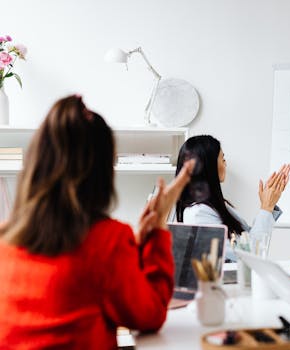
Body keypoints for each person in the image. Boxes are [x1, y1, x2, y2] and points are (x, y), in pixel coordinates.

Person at [0, 95, 194, 348]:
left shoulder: (6, 238)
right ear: (101, 172)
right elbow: (150, 315)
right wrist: (157, 231)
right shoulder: (107, 240)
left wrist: (132, 246)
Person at [175, 135, 290, 262]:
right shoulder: (198, 214)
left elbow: (247, 239)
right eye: (222, 159)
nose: (225, 163)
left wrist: (268, 206)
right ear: (209, 166)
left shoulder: (212, 206)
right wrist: (266, 208)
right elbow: (249, 253)